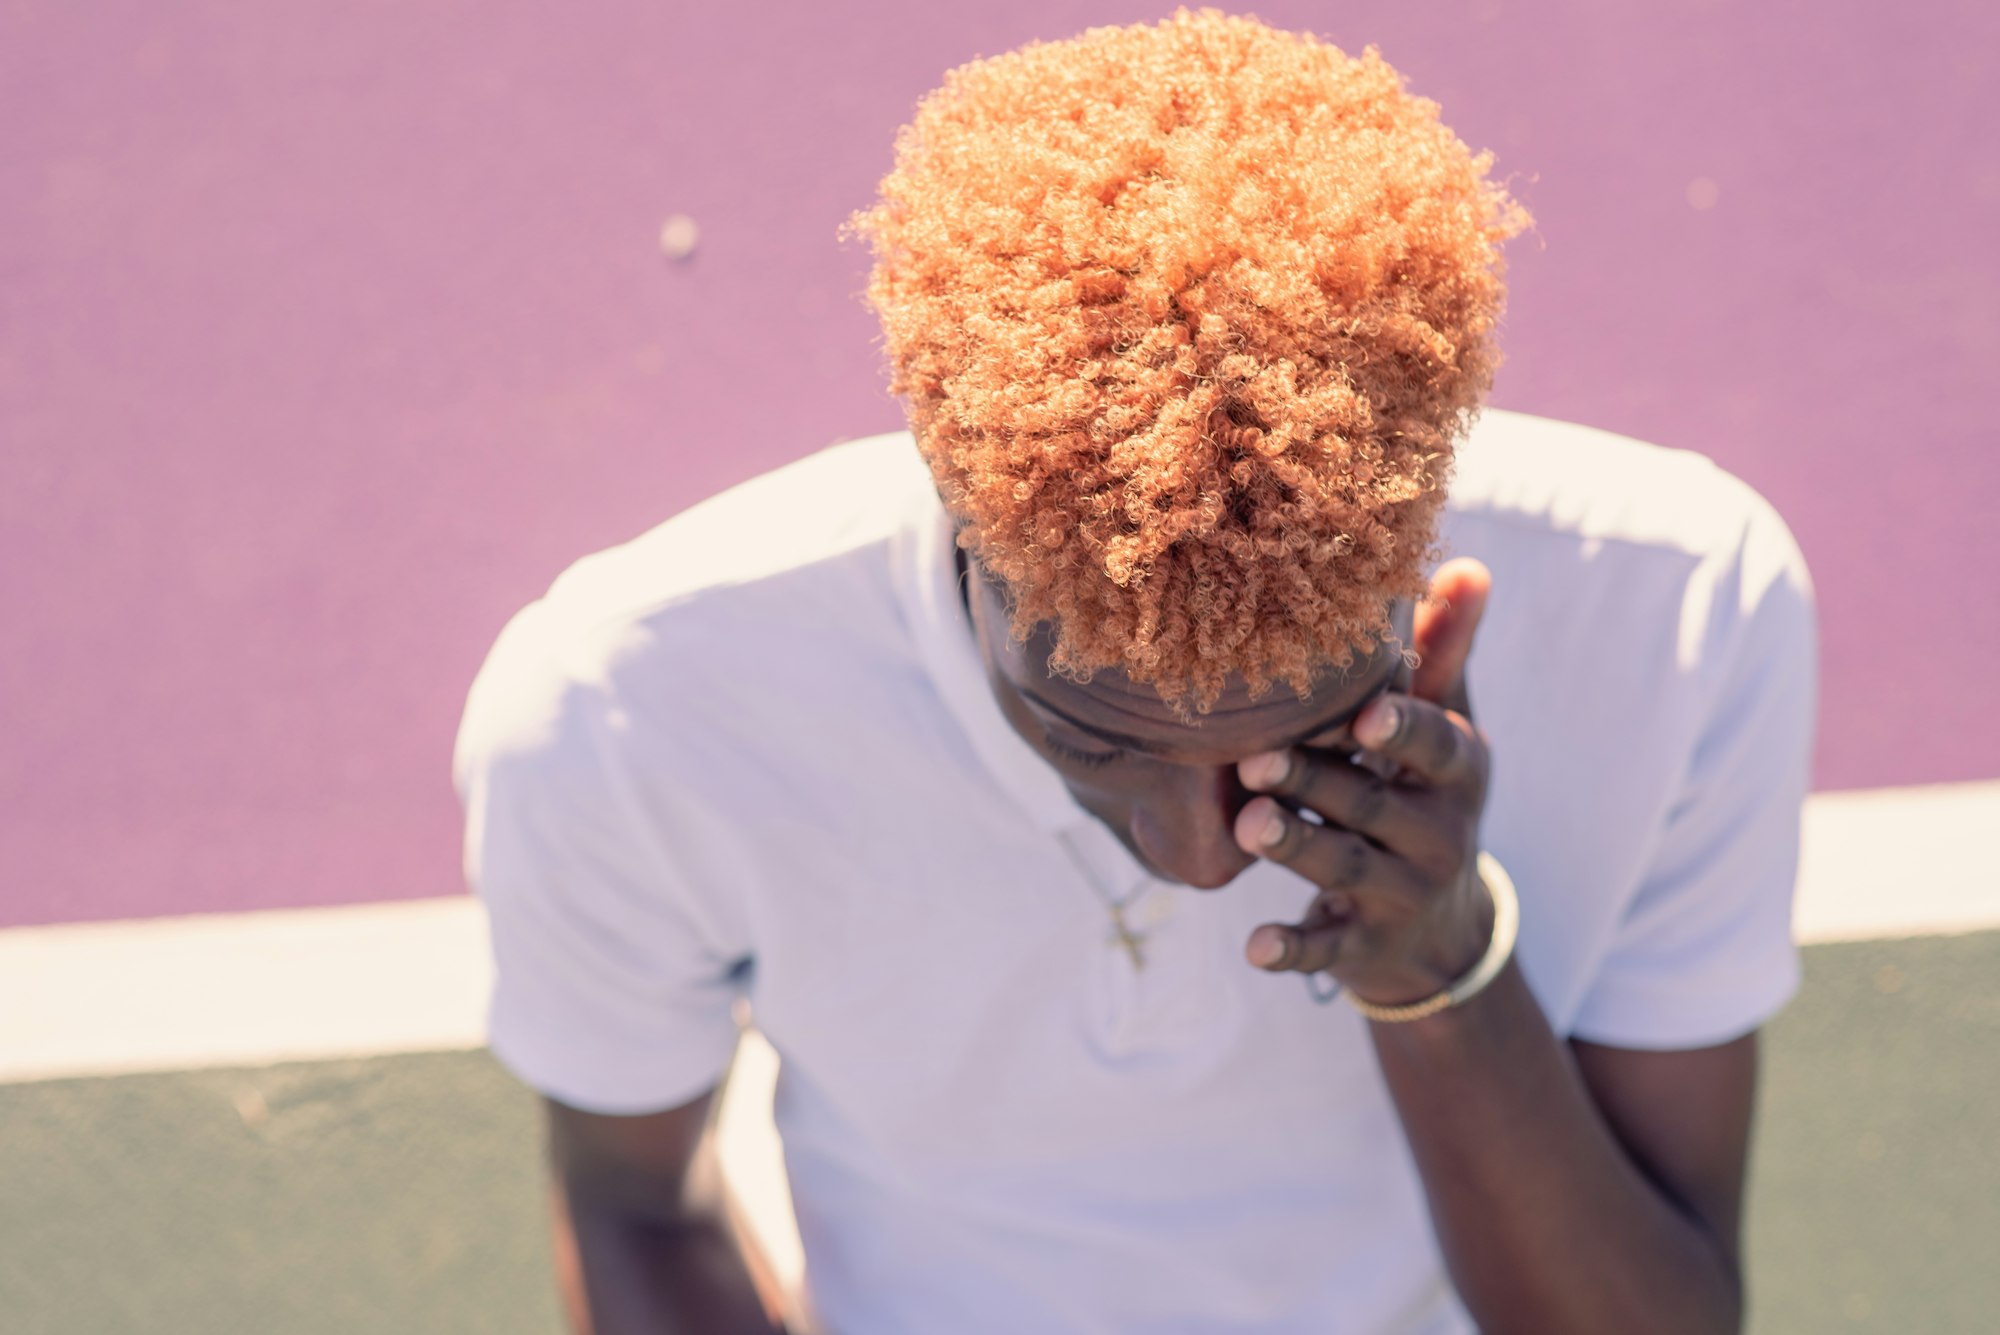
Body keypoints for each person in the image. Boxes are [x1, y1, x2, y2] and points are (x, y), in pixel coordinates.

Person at [453, 10, 1816, 1333]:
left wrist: (1444, 964)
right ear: (955, 506)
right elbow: (635, 1202)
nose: (1209, 860)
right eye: (1094, 741)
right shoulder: (625, 708)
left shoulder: (1685, 611)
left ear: (1428, 549)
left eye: (1305, 734)